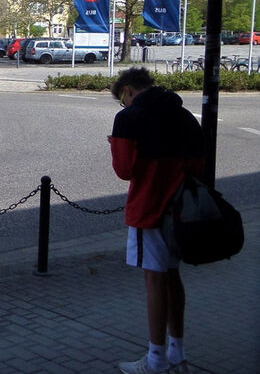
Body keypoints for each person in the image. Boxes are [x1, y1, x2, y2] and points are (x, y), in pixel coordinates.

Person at [109, 67, 204, 374]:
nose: (123, 106)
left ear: (128, 92)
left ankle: (156, 359)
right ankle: (177, 353)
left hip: (149, 208)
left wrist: (114, 142)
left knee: (154, 280)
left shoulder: (128, 119)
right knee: (173, 277)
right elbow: (201, 163)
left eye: (123, 100)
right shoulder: (184, 115)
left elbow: (124, 170)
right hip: (182, 211)